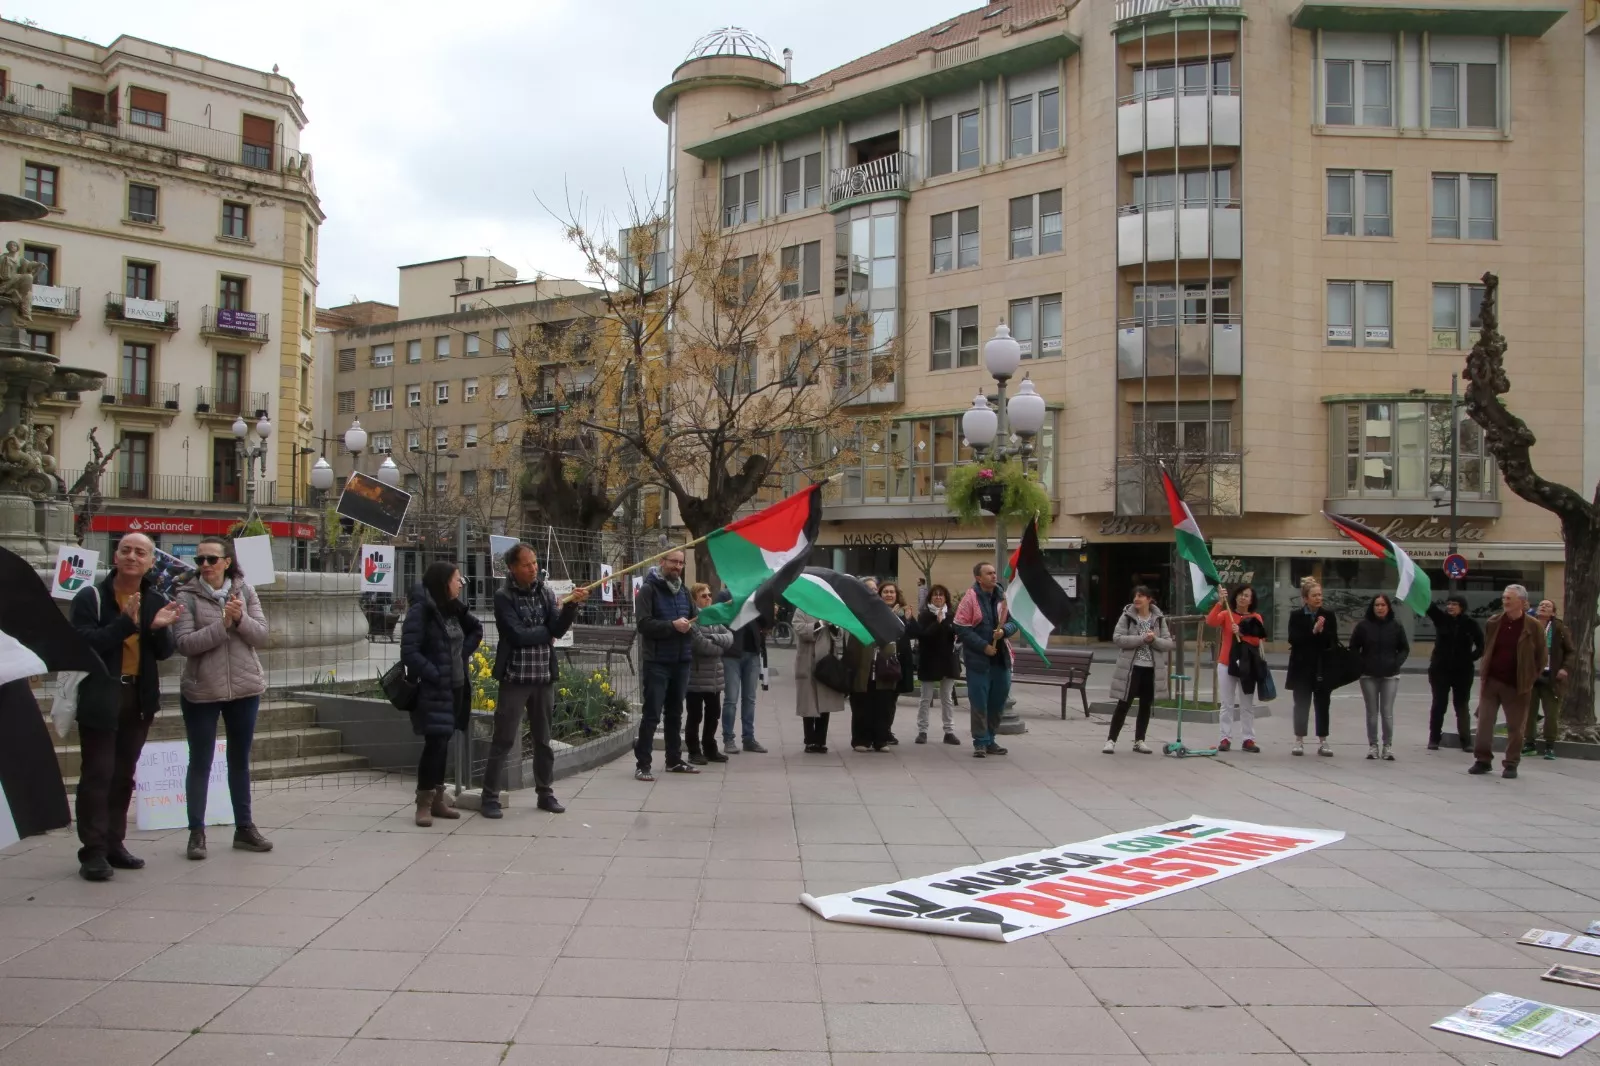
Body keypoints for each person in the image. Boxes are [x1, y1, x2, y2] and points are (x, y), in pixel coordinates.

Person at [69, 533, 181, 881]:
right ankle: (93, 851)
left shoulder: (155, 598)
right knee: (97, 775)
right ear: (115, 556)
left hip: (138, 698)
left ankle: (115, 844)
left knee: (122, 776)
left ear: (150, 562)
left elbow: (163, 652)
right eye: (126, 550)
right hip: (101, 696)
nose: (133, 556)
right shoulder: (92, 597)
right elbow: (83, 643)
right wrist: (124, 624)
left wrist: (159, 629)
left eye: (141, 552)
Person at [172, 537, 272, 859]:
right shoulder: (186, 595)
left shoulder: (246, 590)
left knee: (239, 761)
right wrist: (223, 624)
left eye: (212, 559)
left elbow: (262, 635)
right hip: (202, 690)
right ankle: (196, 833)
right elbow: (185, 643)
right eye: (200, 559)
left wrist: (240, 620)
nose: (204, 565)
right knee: (200, 762)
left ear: (227, 562)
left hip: (244, 689)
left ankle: (244, 828)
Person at [484, 543, 586, 818]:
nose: (533, 568)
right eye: (527, 564)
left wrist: (570, 608)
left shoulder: (545, 591)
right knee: (503, 738)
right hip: (515, 677)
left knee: (543, 739)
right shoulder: (503, 596)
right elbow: (516, 636)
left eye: (535, 563)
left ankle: (545, 793)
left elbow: (557, 628)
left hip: (543, 676)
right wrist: (546, 632)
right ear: (513, 568)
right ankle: (490, 796)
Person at [400, 561, 483, 826]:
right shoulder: (422, 610)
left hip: (457, 686)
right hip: (434, 690)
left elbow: (476, 630)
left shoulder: (452, 609)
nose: (460, 583)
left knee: (444, 742)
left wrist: (459, 656)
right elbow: (409, 652)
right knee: (434, 745)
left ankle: (437, 800)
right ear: (443, 582)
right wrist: (435, 672)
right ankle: (422, 804)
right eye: (457, 579)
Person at [1469, 584, 1546, 779]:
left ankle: (1511, 763)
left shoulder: (1533, 626)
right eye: (1504, 598)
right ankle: (1482, 760)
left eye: (1509, 598)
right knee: (1484, 723)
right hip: (1492, 681)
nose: (1505, 601)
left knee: (1515, 727)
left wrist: (1530, 678)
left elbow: (1541, 656)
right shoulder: (1494, 622)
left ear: (1521, 601)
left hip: (1517, 684)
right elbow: (1488, 648)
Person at [634, 550, 698, 780]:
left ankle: (674, 759)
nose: (677, 567)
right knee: (652, 714)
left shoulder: (683, 591)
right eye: (673, 562)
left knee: (675, 713)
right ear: (662, 562)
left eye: (681, 563)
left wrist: (692, 623)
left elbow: (692, 617)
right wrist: (671, 626)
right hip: (657, 662)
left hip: (681, 661)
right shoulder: (648, 590)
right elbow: (643, 624)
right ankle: (643, 764)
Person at [954, 561, 1018, 758]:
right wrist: (984, 646)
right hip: (978, 661)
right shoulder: (970, 598)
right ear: (978, 578)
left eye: (994, 573)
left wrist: (1004, 631)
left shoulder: (1003, 598)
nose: (993, 576)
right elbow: (961, 627)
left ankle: (991, 738)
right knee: (980, 702)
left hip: (1001, 660)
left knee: (997, 701)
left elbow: (1014, 622)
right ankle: (980, 742)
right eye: (988, 573)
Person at [1103, 586, 1173, 754]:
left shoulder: (1158, 619)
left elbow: (1168, 643)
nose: (1137, 599)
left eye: (1141, 596)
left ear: (1149, 599)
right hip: (1131, 668)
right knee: (1124, 704)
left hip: (1151, 669)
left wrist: (1154, 639)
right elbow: (1118, 639)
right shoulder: (1127, 616)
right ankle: (1111, 740)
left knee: (1145, 705)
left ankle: (1139, 741)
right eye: (1135, 595)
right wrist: (1142, 639)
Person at [1206, 585, 1265, 753]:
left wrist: (1241, 632)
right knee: (1227, 703)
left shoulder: (1256, 617)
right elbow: (1211, 621)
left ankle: (1248, 739)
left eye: (1247, 595)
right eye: (1240, 594)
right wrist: (1219, 602)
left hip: (1248, 665)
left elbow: (1258, 640)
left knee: (1247, 704)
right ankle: (1225, 737)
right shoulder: (1227, 615)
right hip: (1226, 663)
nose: (1242, 598)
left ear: (1251, 600)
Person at [1350, 593, 1408, 761]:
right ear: (1372, 607)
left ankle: (1387, 746)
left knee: (1387, 712)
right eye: (1377, 605)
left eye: (1383, 605)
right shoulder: (1363, 626)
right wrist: (1361, 664)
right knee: (1372, 712)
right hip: (1368, 675)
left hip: (1390, 675)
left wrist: (1397, 662)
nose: (1380, 608)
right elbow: (1353, 647)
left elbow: (1404, 648)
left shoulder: (1396, 625)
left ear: (1388, 607)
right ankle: (1373, 746)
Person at [1285, 578, 1338, 758]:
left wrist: (1322, 632)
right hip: (1302, 667)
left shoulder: (1328, 615)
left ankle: (1323, 741)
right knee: (1301, 704)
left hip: (1322, 667)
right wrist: (1313, 631)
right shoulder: (1297, 615)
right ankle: (1299, 739)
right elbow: (1293, 639)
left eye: (1320, 595)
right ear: (1305, 598)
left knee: (1323, 704)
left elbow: (1333, 641)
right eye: (1314, 595)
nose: (1318, 598)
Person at [1426, 595, 1483, 751]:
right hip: (1440, 669)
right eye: (1449, 604)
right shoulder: (1441, 619)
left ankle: (1466, 741)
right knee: (1439, 704)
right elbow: (1429, 607)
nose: (1450, 607)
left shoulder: (1470, 624)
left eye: (1454, 604)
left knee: (1462, 705)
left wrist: (1470, 658)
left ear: (1462, 607)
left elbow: (1481, 645)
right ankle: (1434, 738)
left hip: (1462, 671)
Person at [687, 583, 733, 764]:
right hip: (696, 676)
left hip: (714, 677)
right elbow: (699, 644)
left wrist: (714, 638)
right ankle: (693, 750)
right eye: (703, 596)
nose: (708, 598)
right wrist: (720, 647)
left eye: (709, 595)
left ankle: (710, 747)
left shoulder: (714, 616)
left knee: (714, 714)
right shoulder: (693, 618)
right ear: (695, 599)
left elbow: (729, 637)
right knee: (695, 716)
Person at [1529, 598, 1576, 759]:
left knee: (1551, 714)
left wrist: (1564, 668)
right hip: (1531, 676)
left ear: (1553, 613)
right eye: (1541, 604)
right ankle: (1529, 743)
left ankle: (1550, 745)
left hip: (1552, 677)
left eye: (1547, 606)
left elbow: (1571, 651)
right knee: (1529, 712)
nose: (1543, 606)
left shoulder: (1559, 629)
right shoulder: (1529, 625)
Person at [915, 584, 961, 745]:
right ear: (930, 598)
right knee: (925, 698)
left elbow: (955, 634)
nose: (938, 598)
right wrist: (938, 623)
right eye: (935, 595)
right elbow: (923, 636)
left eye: (941, 595)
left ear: (945, 598)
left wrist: (947, 624)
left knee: (947, 698)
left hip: (948, 661)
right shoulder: (925, 616)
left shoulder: (953, 615)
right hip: (929, 661)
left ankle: (949, 731)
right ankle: (922, 731)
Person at [721, 604, 768, 755]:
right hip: (732, 653)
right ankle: (728, 738)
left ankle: (749, 738)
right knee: (731, 699)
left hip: (752, 653)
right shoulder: (727, 597)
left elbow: (763, 623)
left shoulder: (755, 598)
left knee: (750, 698)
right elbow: (722, 618)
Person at [794, 611, 845, 752]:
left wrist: (833, 625)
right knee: (808, 704)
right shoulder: (801, 610)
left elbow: (839, 634)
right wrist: (820, 623)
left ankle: (821, 740)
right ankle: (810, 741)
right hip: (808, 662)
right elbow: (799, 629)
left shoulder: (830, 609)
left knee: (824, 703)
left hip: (826, 662)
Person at [842, 626, 898, 752]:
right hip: (862, 676)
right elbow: (851, 654)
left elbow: (892, 651)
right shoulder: (857, 629)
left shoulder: (887, 629)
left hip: (882, 676)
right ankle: (861, 739)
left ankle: (880, 740)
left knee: (882, 708)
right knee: (861, 708)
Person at [878, 581, 916, 745]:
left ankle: (886, 730)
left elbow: (915, 633)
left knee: (892, 698)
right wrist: (891, 618)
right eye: (885, 592)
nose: (889, 595)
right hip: (882, 661)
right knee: (883, 698)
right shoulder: (876, 611)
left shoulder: (903, 612)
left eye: (891, 592)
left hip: (900, 661)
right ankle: (881, 731)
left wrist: (909, 620)